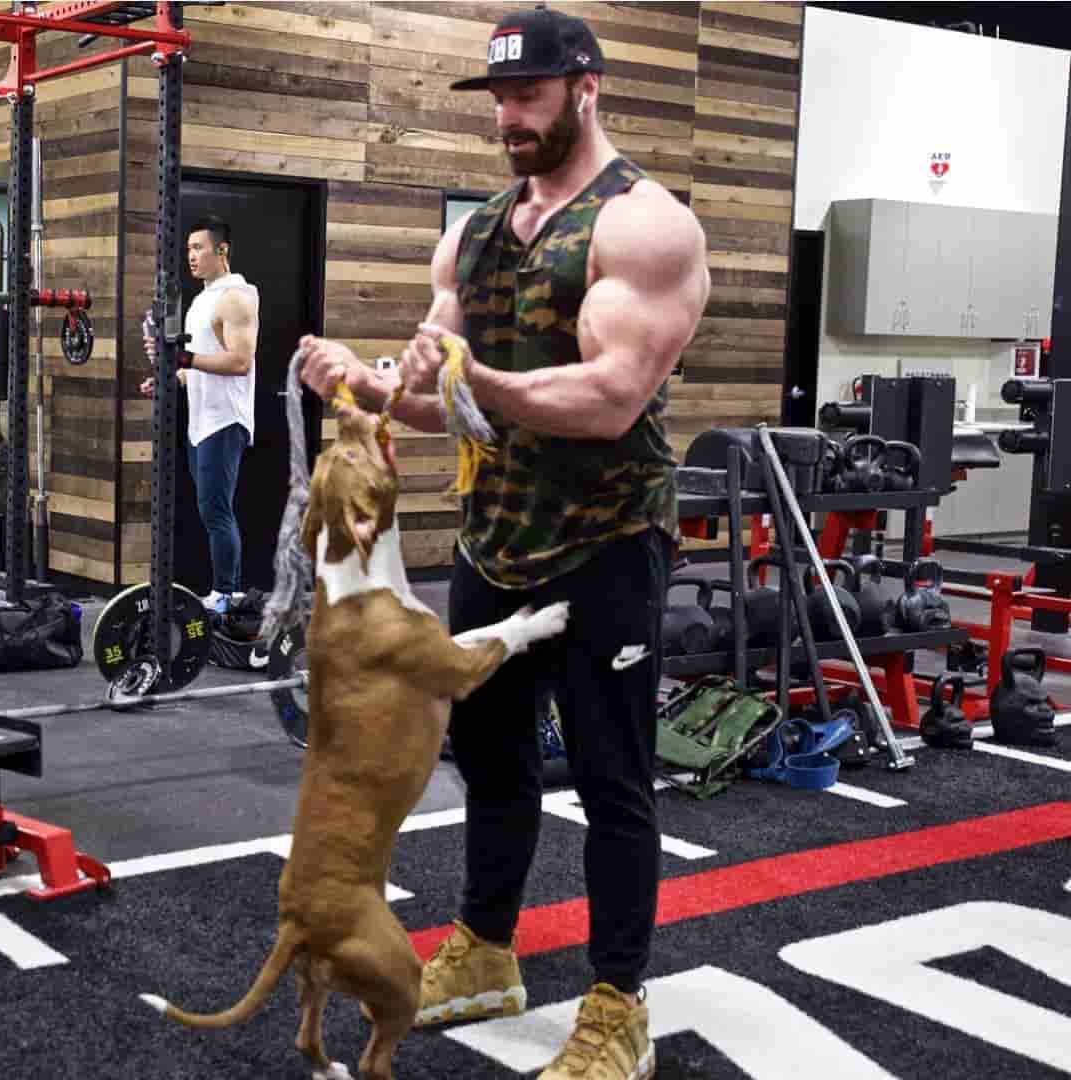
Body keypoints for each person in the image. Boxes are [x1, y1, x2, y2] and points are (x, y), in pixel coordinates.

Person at [298, 7, 708, 1079]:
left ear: (587, 87)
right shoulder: (472, 234)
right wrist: (368, 384)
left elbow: (614, 396)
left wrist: (477, 384)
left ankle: (618, 1004)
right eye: (499, 102)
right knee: (490, 759)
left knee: (614, 775)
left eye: (530, 98)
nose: (511, 121)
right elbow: (434, 401)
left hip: (606, 542)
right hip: (494, 544)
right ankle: (485, 949)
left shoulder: (644, 227)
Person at [142, 216, 260, 614]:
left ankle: (226, 594)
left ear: (221, 251)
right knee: (209, 510)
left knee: (216, 510)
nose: (191, 256)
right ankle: (224, 591)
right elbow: (192, 367)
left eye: (199, 248)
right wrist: (167, 378)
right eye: (189, 249)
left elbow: (240, 361)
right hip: (201, 420)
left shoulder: (237, 296)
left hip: (225, 420)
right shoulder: (199, 301)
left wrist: (186, 358)